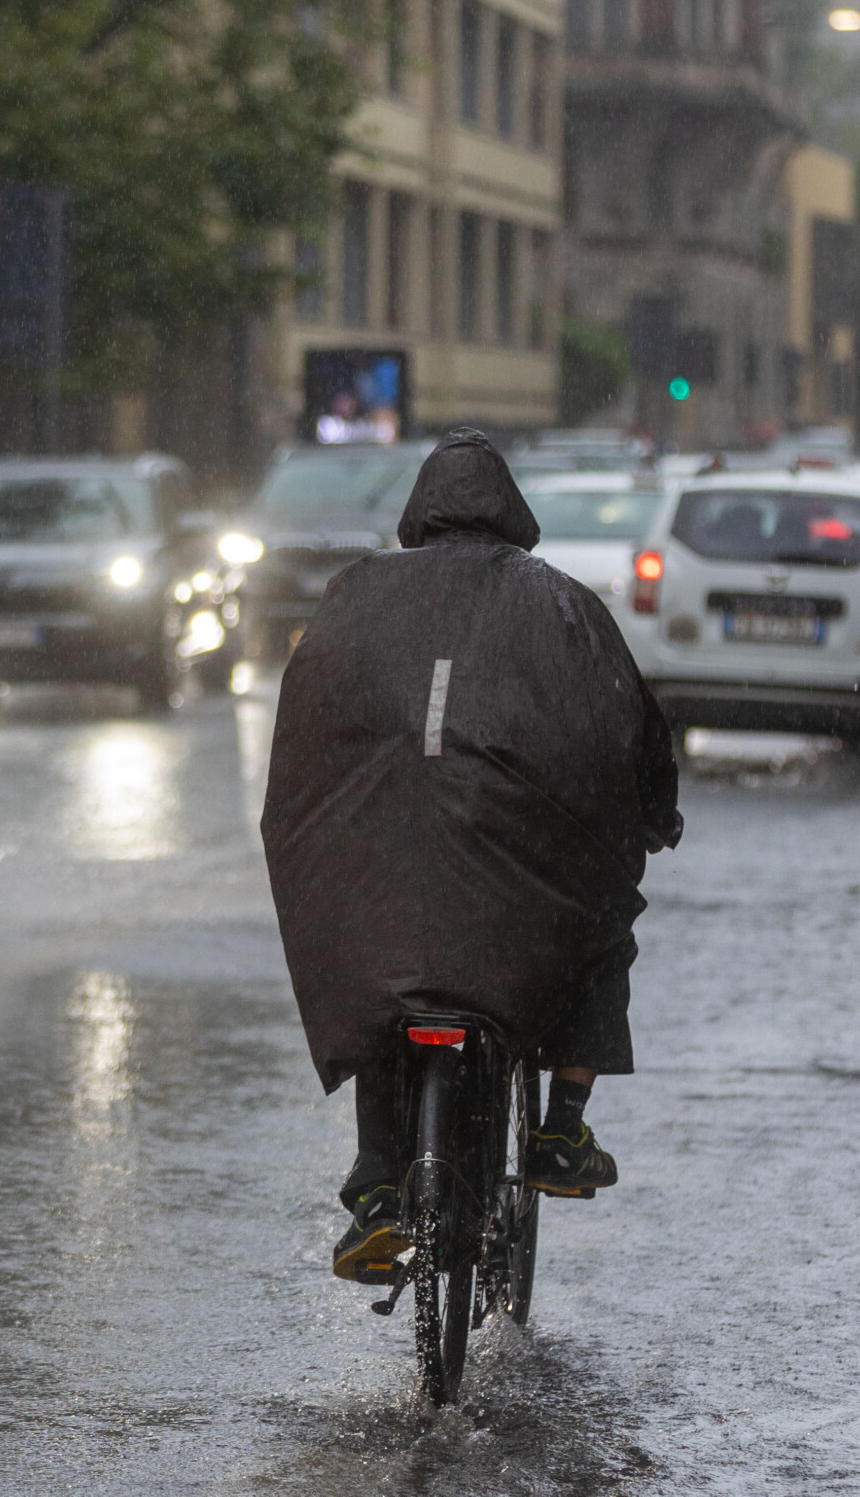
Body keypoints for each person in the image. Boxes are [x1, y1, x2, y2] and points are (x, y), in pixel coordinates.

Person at [260, 428, 684, 1282]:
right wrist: (651, 816)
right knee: (600, 929)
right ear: (511, 513)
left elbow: (307, 728)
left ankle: (378, 1186)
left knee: (383, 979)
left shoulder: (357, 594)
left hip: (378, 869)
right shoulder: (562, 605)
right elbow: (628, 725)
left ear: (420, 512)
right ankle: (561, 1126)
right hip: (515, 874)